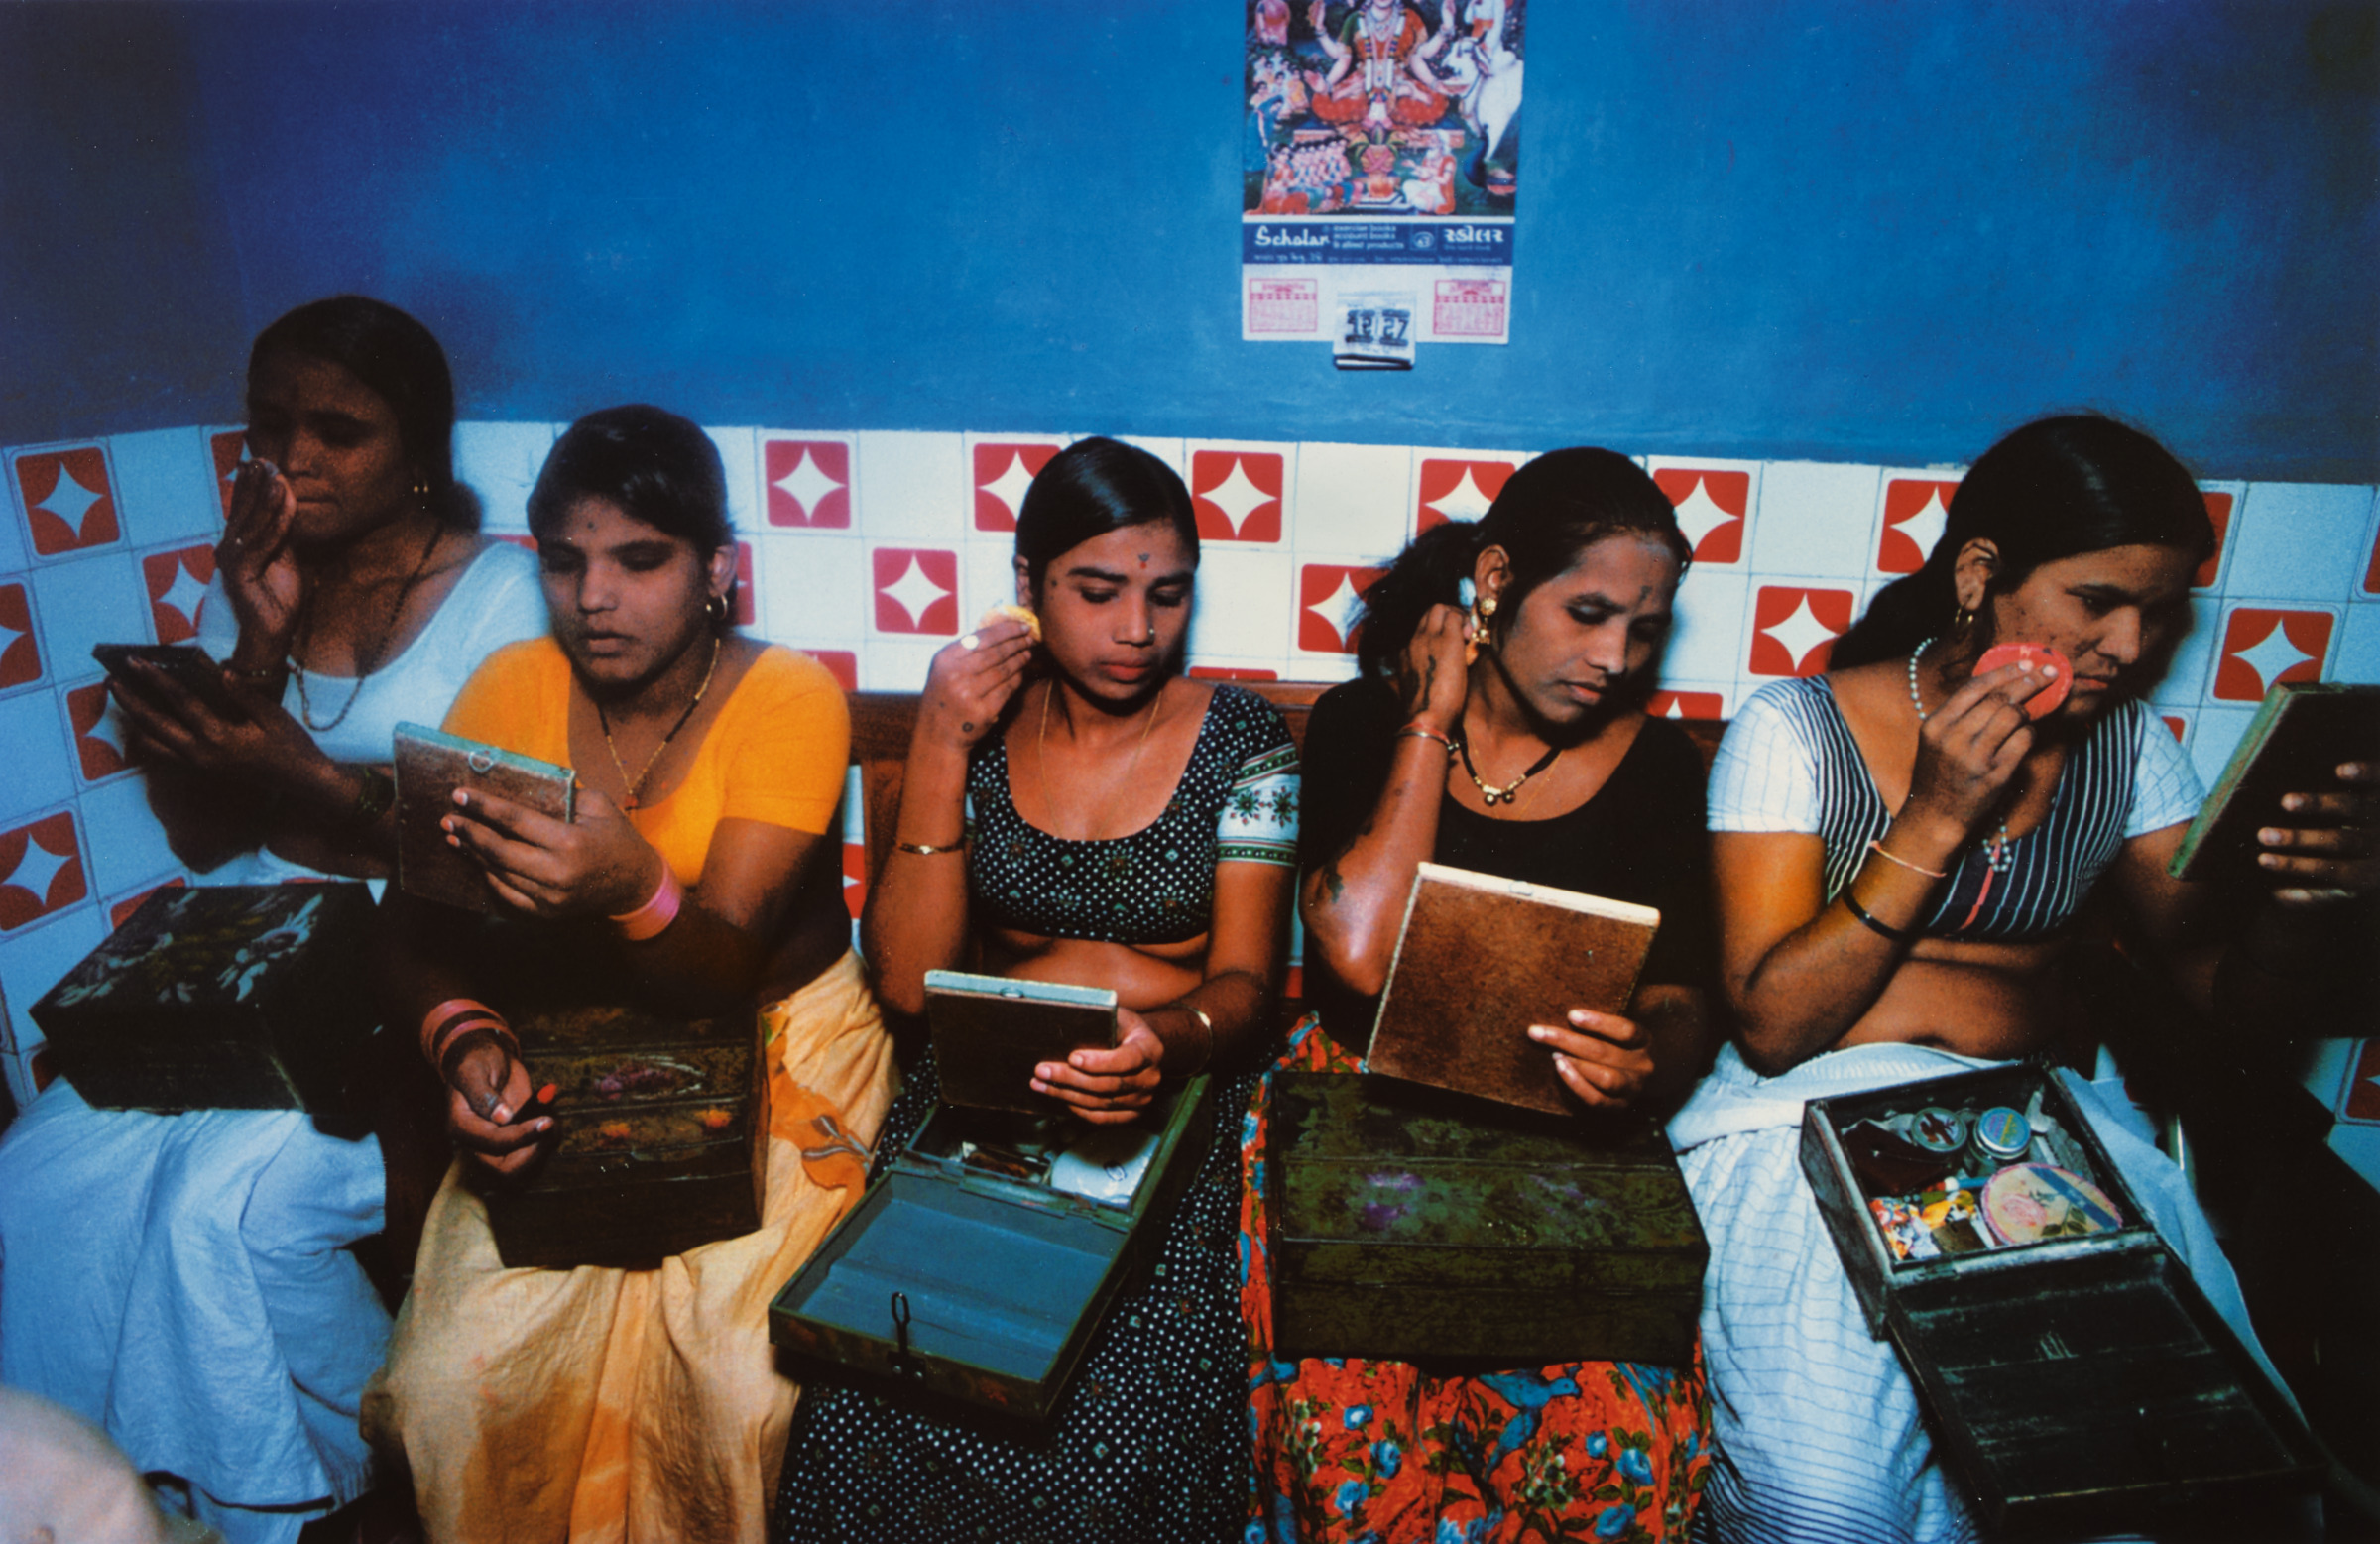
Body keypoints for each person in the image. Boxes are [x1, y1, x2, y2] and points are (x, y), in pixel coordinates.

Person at [1676, 413, 2375, 1542]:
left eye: (2158, 614)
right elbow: (1772, 1024)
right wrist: (1939, 815)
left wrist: (2310, 897)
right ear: (1980, 576)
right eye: (2094, 602)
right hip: (1801, 1130)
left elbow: (2231, 1001)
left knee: (2155, 1491)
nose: (2130, 645)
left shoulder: (2129, 748)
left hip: (2029, 1142)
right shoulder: (1797, 727)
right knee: (1828, 1504)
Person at [0, 297, 545, 1544]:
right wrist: (257, 633)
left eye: (337, 431)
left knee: (219, 1210)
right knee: (38, 1179)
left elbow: (491, 861)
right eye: (269, 426)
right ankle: (91, 1491)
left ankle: (318, 1490)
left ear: (419, 451)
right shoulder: (261, 579)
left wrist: (302, 771)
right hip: (251, 927)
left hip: (419, 951)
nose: (291, 458)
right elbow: (200, 837)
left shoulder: (502, 598)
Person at [359, 406, 884, 1544]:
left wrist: (632, 883)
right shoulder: (509, 689)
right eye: (566, 561)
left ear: (717, 572)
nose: (595, 597)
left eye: (641, 560)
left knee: (735, 1389)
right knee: (451, 1386)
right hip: (555, 1041)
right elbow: (407, 935)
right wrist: (466, 1043)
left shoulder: (788, 696)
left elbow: (717, 966)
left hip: (780, 1045)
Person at [773, 436, 1300, 1544]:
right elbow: (910, 985)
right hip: (979, 1097)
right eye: (1098, 592)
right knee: (875, 1389)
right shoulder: (981, 729)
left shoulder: (1244, 743)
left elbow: (1249, 985)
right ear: (1028, 587)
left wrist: (1164, 1042)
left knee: (1111, 1424)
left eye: (1166, 595)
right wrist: (938, 739)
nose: (1137, 629)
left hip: (1171, 1096)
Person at [1246, 448, 1720, 1543]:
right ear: (1497, 581)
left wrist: (1647, 1055)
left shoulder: (1657, 767)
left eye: (1642, 630)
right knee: (1349, 1462)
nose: (1613, 657)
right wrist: (1429, 717)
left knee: (1616, 1465)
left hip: (1563, 1143)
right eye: (1589, 612)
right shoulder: (1366, 728)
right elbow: (1357, 957)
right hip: (1355, 1123)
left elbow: (1689, 991)